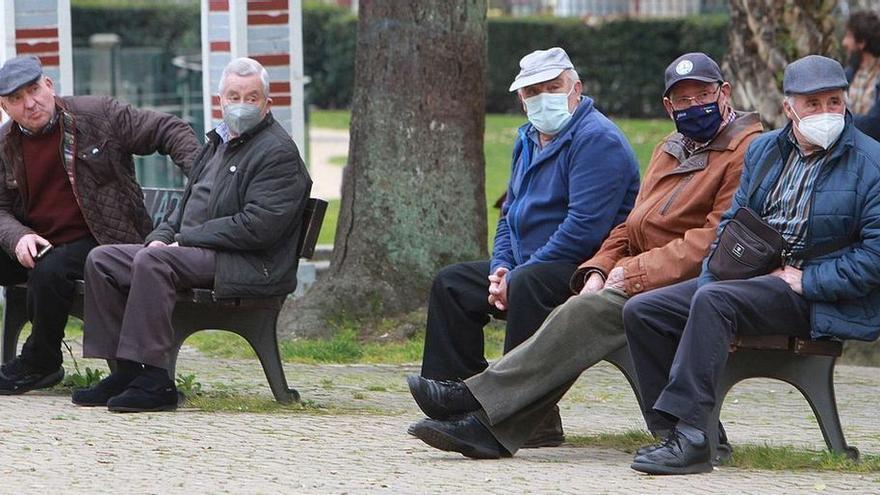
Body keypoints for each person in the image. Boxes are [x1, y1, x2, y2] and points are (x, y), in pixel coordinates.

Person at [406, 53, 762, 459]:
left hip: (685, 280)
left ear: (724, 93)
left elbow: (714, 239)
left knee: (570, 308)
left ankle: (475, 402)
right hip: (630, 272)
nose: (693, 106)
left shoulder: (745, 151)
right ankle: (483, 417)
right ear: (668, 106)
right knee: (468, 284)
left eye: (703, 94)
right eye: (682, 99)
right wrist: (598, 269)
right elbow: (629, 225)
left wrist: (630, 271)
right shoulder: (671, 147)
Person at [623, 55, 880, 475]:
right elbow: (731, 227)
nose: (826, 113)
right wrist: (710, 278)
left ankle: (690, 441)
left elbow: (874, 259)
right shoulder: (765, 151)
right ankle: (679, 431)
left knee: (715, 302)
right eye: (812, 104)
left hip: (820, 296)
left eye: (834, 101)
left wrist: (807, 279)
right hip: (755, 282)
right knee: (644, 310)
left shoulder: (871, 163)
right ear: (789, 108)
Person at [417, 47, 640, 446]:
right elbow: (509, 214)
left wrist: (516, 276)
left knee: (530, 284)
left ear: (576, 89)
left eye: (553, 87)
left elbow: (583, 229)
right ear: (520, 98)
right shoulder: (527, 139)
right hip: (527, 263)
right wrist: (500, 267)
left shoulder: (597, 140)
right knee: (452, 284)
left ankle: (524, 417)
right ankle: (458, 400)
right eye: (533, 91)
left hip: (585, 268)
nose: (543, 98)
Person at [70, 57, 311, 413]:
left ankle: (155, 381)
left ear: (267, 103)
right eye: (234, 95)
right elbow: (184, 208)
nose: (241, 104)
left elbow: (258, 227)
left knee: (155, 262)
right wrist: (161, 235)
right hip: (202, 251)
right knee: (103, 259)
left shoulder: (277, 152)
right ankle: (125, 371)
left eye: (251, 97)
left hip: (248, 263)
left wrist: (186, 239)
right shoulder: (217, 144)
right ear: (221, 100)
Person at [0, 55, 200, 394]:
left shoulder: (98, 115)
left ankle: (41, 362)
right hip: (38, 241)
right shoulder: (5, 144)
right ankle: (38, 359)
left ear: (49, 86)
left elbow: (169, 129)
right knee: (45, 262)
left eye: (34, 91)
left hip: (103, 237)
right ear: (5, 106)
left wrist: (203, 182)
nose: (30, 104)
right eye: (16, 99)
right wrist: (18, 236)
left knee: (52, 270)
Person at [843, 10, 880, 141]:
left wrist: (838, 121)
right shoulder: (848, 75)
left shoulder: (877, 76)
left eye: (848, 36)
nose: (844, 43)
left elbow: (874, 124)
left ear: (862, 42)